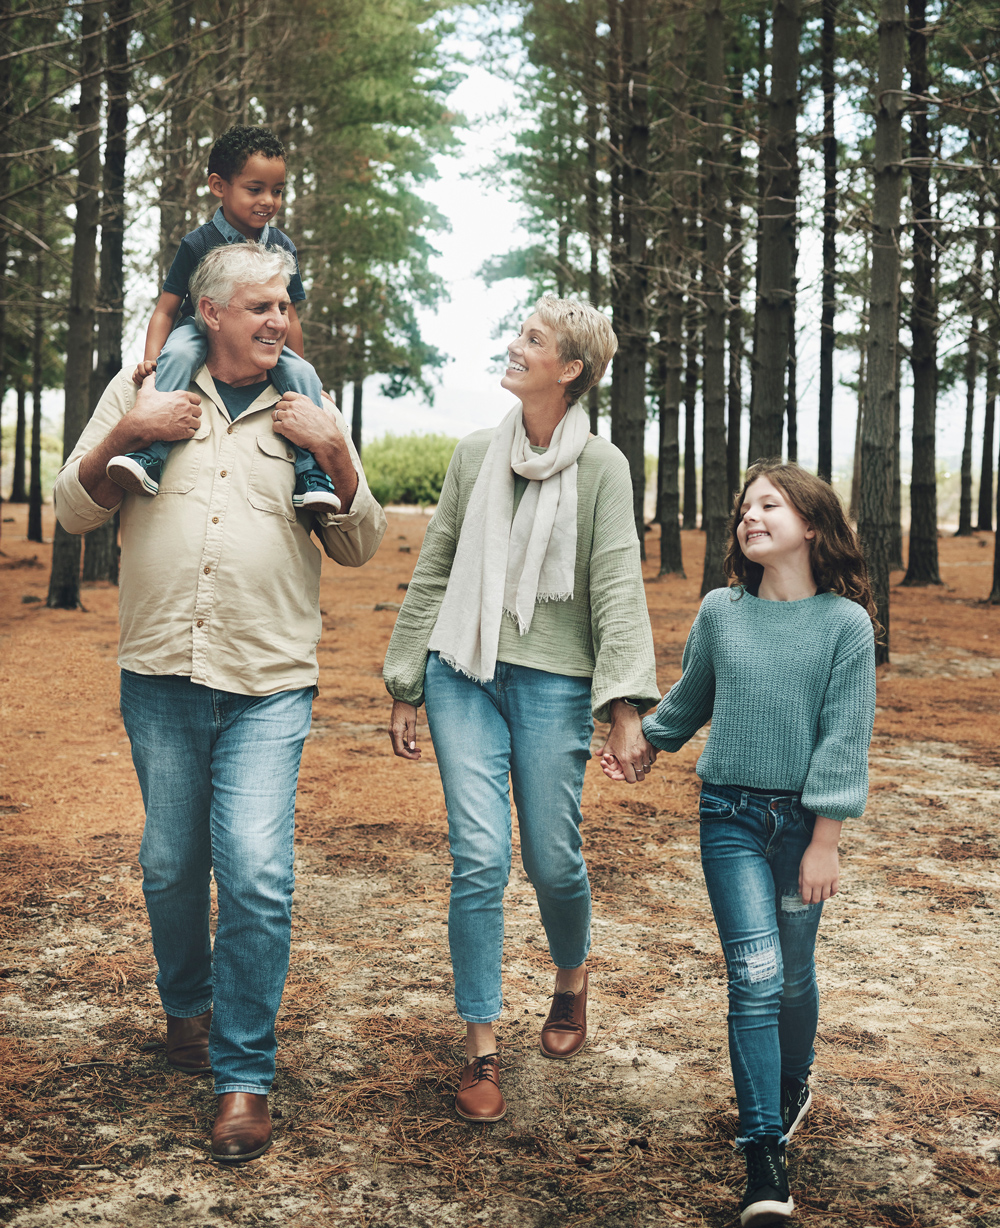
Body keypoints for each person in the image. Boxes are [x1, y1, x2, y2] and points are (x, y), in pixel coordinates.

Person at [53, 242, 387, 1163]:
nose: (278, 320)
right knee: (169, 865)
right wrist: (127, 433)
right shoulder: (144, 389)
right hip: (158, 671)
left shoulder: (310, 406)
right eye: (260, 307)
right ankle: (186, 1010)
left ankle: (245, 1075)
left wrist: (335, 456)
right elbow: (72, 509)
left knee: (255, 871)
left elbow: (359, 546)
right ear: (209, 313)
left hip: (268, 682)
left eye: (283, 306)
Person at [383, 296, 660, 1123]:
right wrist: (406, 678)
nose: (515, 345)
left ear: (569, 369)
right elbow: (435, 567)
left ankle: (571, 977)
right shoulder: (474, 455)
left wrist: (625, 707)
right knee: (478, 856)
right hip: (461, 673)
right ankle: (481, 1047)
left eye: (532, 340)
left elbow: (616, 583)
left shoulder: (602, 466)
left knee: (550, 858)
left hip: (553, 683)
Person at [618, 460, 877, 1227]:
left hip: (802, 824)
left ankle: (793, 1082)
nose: (749, 517)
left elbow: (844, 740)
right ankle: (764, 1154)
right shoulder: (721, 612)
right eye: (743, 509)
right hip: (727, 817)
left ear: (813, 525)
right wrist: (640, 746)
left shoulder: (845, 625)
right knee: (755, 977)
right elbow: (688, 701)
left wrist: (824, 840)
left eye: (769, 504)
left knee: (794, 976)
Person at [105, 124, 340, 514]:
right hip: (197, 330)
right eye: (255, 189)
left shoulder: (282, 246)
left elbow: (291, 318)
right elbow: (166, 308)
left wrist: (302, 366)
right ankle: (152, 455)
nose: (268, 200)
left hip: (259, 339)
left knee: (305, 378)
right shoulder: (198, 243)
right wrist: (151, 359)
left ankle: (310, 472)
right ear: (219, 185)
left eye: (277, 191)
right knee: (176, 357)